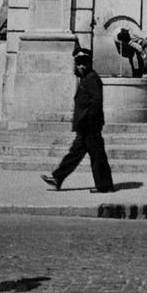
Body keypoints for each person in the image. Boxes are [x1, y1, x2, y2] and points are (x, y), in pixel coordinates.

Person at [40, 49, 114, 193]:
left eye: (84, 64)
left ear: (89, 64)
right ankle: (58, 178)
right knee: (76, 154)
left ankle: (105, 186)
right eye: (79, 64)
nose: (81, 66)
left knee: (96, 155)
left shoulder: (91, 78)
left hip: (90, 126)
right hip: (85, 126)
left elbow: (96, 102)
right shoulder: (86, 79)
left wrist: (90, 122)